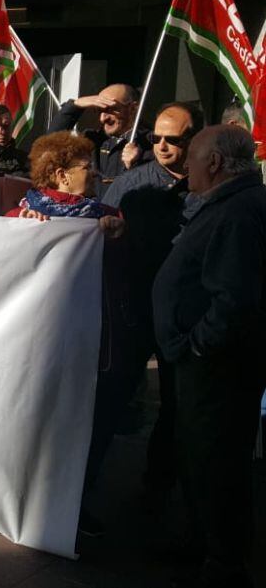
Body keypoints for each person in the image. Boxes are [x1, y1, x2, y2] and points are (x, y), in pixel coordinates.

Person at [152, 125, 266, 588]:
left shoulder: (239, 211)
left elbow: (235, 298)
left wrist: (197, 345)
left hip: (218, 368)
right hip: (206, 364)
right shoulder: (230, 204)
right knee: (199, 458)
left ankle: (224, 564)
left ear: (215, 163)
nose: (187, 166)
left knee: (218, 463)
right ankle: (202, 543)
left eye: (193, 156)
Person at [12, 131, 128, 537]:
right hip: (37, 342)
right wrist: (19, 233)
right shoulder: (20, 216)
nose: (94, 173)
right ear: (61, 175)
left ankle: (72, 504)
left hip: (86, 341)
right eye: (85, 166)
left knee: (79, 422)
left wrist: (114, 236)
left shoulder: (106, 217)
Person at [103, 102, 201, 510]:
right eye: (153, 138)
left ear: (194, 140)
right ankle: (84, 484)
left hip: (183, 313)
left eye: (172, 139)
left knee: (177, 405)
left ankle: (157, 487)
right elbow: (97, 224)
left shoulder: (207, 187)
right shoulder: (133, 182)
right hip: (133, 308)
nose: (160, 146)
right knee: (111, 396)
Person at [49, 83, 151, 199]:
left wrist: (137, 165)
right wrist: (74, 106)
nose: (103, 118)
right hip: (90, 213)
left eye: (110, 109)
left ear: (133, 108)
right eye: (99, 110)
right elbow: (50, 145)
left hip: (121, 215)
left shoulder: (152, 143)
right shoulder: (91, 140)